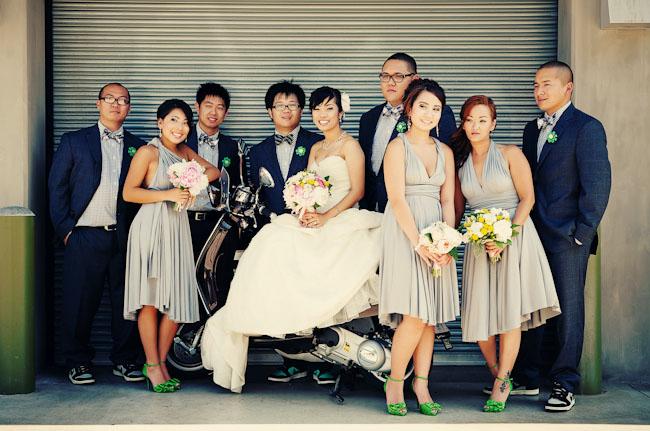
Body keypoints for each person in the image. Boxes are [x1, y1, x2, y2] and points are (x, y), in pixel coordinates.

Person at [201, 86, 383, 393]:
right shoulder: (316, 149)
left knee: (306, 267)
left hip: (339, 218)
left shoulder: (350, 146)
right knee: (271, 244)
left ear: (341, 112)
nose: (323, 115)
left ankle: (329, 358)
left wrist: (325, 217)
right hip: (312, 218)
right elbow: (309, 184)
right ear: (270, 110)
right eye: (318, 110)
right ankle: (289, 347)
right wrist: (304, 207)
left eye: (329, 109)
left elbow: (358, 191)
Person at [513, 61, 611, 412]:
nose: (539, 91)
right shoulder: (530, 128)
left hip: (568, 237)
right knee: (534, 307)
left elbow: (597, 185)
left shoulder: (586, 127)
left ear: (568, 88)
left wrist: (582, 234)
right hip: (533, 234)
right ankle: (528, 376)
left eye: (548, 84)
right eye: (536, 84)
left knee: (568, 311)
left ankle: (563, 382)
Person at [452, 95, 561, 412]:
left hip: (514, 237)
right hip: (478, 242)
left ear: (493, 124)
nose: (475, 125)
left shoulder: (510, 153)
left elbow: (527, 198)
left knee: (509, 314)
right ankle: (498, 373)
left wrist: (506, 236)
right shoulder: (460, 163)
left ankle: (501, 385)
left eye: (482, 120)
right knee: (479, 315)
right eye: (470, 119)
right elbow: (459, 209)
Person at [48, 82, 145, 385]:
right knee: (79, 301)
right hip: (84, 236)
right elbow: (57, 187)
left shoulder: (138, 146)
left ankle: (125, 360)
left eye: (123, 100)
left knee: (126, 303)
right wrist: (66, 230)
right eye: (110, 99)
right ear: (98, 103)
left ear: (129, 108)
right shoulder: (74, 141)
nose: (117, 104)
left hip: (123, 236)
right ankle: (77, 362)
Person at [122, 99, 219, 393]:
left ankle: (161, 362)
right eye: (173, 120)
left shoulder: (184, 152)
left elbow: (213, 172)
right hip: (151, 227)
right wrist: (168, 193)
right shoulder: (148, 152)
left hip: (177, 228)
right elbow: (129, 193)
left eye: (185, 122)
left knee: (176, 301)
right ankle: (152, 365)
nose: (180, 127)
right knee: (151, 301)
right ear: (159, 122)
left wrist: (190, 186)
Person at [378, 79, 458, 416]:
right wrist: (419, 243)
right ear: (409, 109)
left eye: (435, 108)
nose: (429, 113)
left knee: (430, 318)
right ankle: (395, 381)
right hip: (405, 232)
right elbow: (396, 199)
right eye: (423, 106)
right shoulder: (397, 148)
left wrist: (446, 240)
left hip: (436, 233)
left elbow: (449, 200)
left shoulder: (446, 151)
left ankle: (421, 384)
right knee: (414, 314)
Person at [245, 80, 322, 383]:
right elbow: (256, 194)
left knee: (315, 293)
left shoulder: (317, 143)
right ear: (269, 111)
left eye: (292, 104)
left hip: (312, 232)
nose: (286, 110)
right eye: (280, 105)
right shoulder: (258, 151)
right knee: (280, 295)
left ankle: (321, 360)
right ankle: (290, 358)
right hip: (276, 233)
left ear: (302, 110)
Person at [358, 52, 457, 213]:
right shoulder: (368, 118)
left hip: (416, 212)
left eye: (398, 76)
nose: (390, 82)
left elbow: (449, 173)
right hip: (369, 211)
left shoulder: (435, 115)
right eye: (385, 76)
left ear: (415, 79)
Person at [186, 82, 242, 309]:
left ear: (226, 113)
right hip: (183, 223)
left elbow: (238, 185)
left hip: (218, 226)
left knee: (215, 285)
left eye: (220, 107)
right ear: (197, 107)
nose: (213, 112)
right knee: (183, 284)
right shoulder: (180, 139)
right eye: (208, 105)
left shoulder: (233, 146)